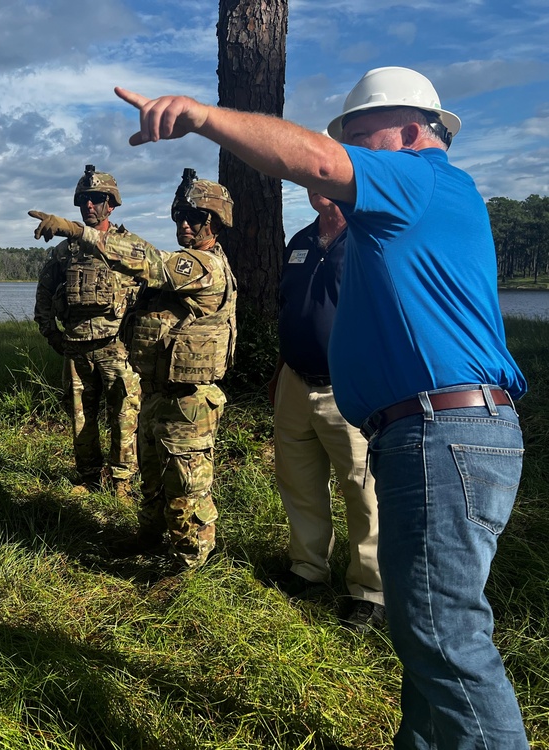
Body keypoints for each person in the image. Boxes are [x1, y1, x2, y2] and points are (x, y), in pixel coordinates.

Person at [114, 67, 529, 746]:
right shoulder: (387, 221)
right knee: (426, 631)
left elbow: (314, 158)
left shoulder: (420, 179)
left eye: (365, 138)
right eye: (353, 142)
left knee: (447, 637)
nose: (356, 155)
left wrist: (201, 116)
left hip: (440, 429)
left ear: (413, 129)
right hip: (429, 430)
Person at [30, 168, 237, 572]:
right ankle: (149, 536)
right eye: (179, 217)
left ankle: (188, 563)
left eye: (192, 218)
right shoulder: (186, 264)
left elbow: (149, 261)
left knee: (186, 487)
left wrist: (79, 231)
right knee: (155, 480)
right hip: (160, 393)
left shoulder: (204, 267)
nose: (183, 225)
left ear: (210, 222)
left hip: (189, 401)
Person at [268, 188, 385, 632]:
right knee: (298, 480)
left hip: (351, 389)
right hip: (295, 382)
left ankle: (370, 592)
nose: (319, 187)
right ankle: (307, 568)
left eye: (328, 177)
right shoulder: (299, 241)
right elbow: (289, 311)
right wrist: (279, 371)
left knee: (363, 488)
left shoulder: (368, 239)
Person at [33, 165, 142, 499]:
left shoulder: (127, 248)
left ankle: (122, 482)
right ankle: (89, 476)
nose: (89, 206)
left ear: (111, 204)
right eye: (84, 200)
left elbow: (150, 292)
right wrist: (53, 335)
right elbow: (44, 294)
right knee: (81, 419)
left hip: (117, 349)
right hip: (77, 349)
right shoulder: (64, 252)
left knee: (124, 416)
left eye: (97, 200)